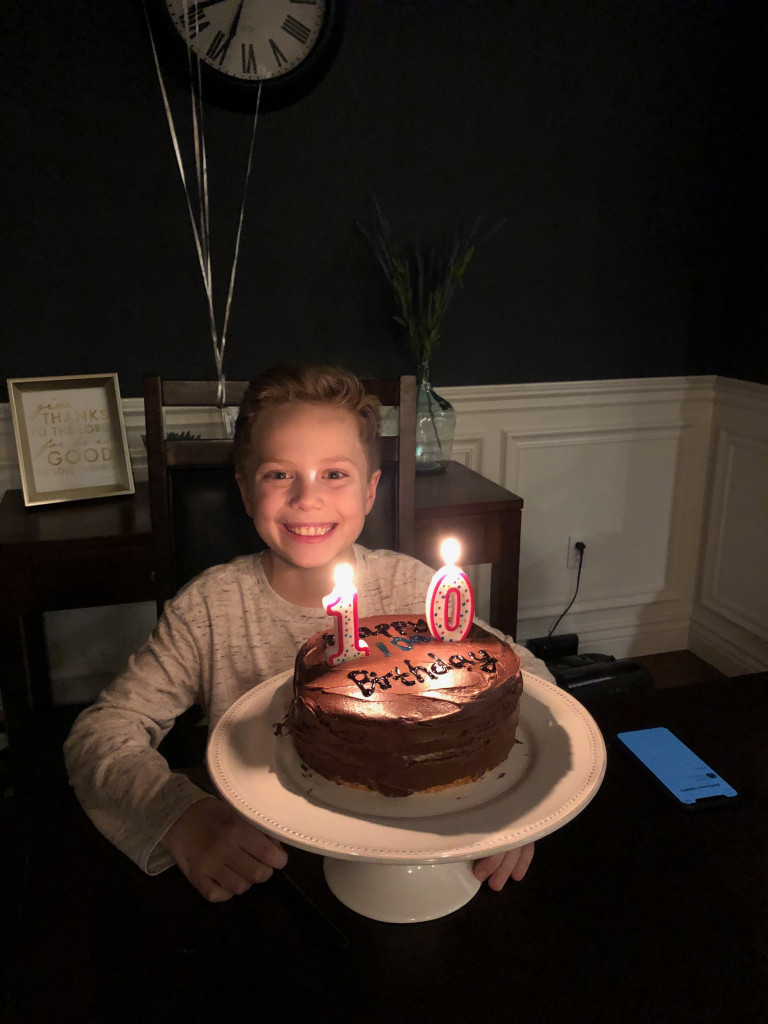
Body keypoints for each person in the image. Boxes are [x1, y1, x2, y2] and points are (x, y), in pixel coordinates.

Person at [64, 365, 551, 903]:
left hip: (427, 851)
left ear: (370, 491)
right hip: (264, 867)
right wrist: (180, 817)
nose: (306, 498)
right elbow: (101, 734)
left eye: (334, 474)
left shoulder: (411, 588)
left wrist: (520, 811)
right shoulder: (210, 609)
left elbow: (528, 680)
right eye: (279, 474)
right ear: (246, 492)